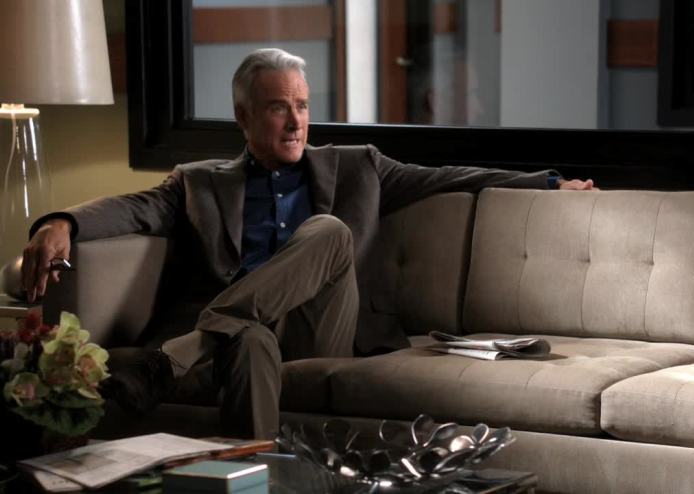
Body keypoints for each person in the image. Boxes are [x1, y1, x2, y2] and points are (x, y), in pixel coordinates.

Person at [21, 48, 596, 439]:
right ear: (243, 116)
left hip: (322, 328)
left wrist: (547, 183)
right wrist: (62, 221)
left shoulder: (357, 168)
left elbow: (448, 177)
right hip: (247, 335)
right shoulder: (199, 182)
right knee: (247, 341)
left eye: (301, 105)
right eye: (278, 108)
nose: (296, 122)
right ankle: (253, 474)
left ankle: (178, 355)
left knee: (329, 231)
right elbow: (132, 208)